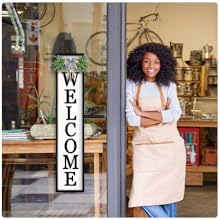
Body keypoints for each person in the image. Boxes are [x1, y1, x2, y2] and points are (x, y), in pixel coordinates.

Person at [126, 43, 186, 217]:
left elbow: (175, 114)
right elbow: (132, 119)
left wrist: (143, 113)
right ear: (139, 63)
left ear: (163, 64)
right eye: (146, 61)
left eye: (156, 62)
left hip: (170, 150)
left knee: (169, 195)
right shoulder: (131, 84)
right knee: (141, 197)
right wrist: (161, 117)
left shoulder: (169, 85)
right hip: (145, 149)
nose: (151, 66)